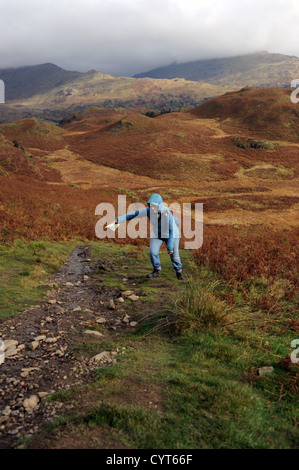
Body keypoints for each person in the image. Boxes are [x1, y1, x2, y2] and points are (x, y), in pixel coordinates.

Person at [115, 193, 184, 280]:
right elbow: (134, 214)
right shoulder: (148, 210)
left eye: (155, 206)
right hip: (157, 234)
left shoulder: (166, 213)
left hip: (172, 235)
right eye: (150, 206)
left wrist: (170, 247)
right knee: (152, 252)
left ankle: (178, 271)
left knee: (174, 256)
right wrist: (118, 220)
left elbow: (172, 230)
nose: (152, 208)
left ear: (159, 205)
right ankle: (157, 270)